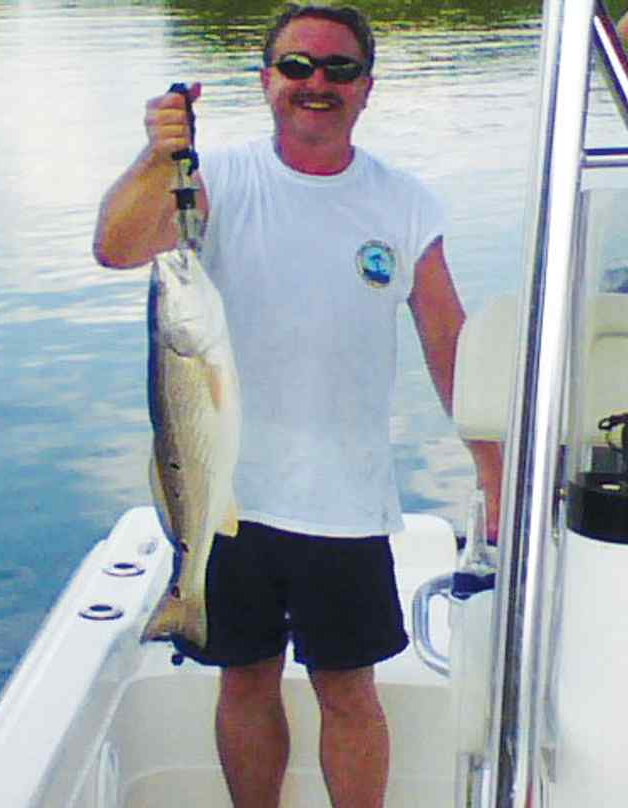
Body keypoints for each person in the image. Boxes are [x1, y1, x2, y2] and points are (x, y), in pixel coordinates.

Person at [94, 5, 502, 806]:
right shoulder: (213, 179)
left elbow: (446, 337)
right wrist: (157, 153)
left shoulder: (407, 202)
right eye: (297, 67)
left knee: (349, 692)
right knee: (244, 682)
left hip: (346, 502)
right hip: (227, 500)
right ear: (266, 81)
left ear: (367, 89)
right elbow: (117, 246)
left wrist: (490, 460)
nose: (317, 83)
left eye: (339, 69)